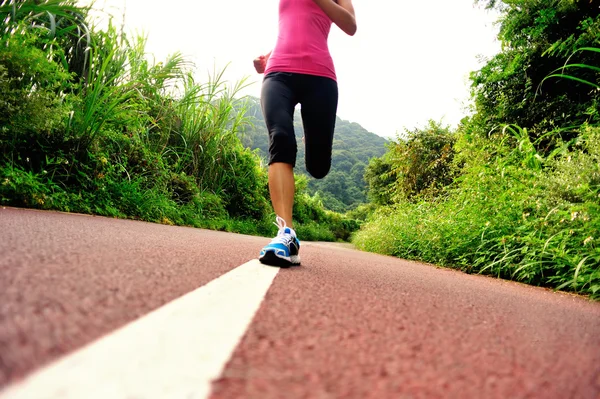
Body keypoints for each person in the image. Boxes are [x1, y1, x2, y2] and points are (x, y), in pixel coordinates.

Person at [253, 0, 356, 267]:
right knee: (281, 138)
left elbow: (351, 25)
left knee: (318, 166)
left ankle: (311, 138)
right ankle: (286, 233)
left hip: (320, 77)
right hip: (278, 73)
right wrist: (268, 54)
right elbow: (294, 26)